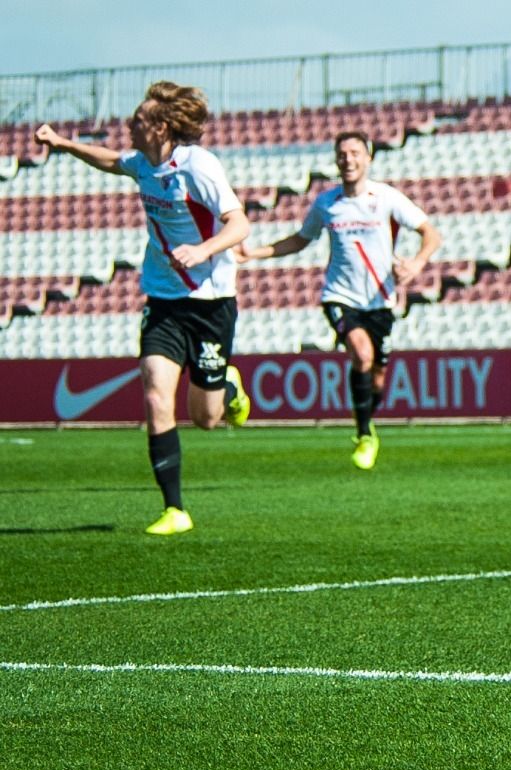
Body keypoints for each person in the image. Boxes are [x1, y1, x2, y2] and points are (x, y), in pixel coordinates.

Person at [33, 82, 252, 535]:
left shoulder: (198, 166)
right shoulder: (143, 164)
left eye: (137, 119)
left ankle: (229, 387)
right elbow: (111, 160)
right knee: (155, 394)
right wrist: (63, 144)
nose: (128, 125)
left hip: (210, 301)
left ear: (162, 127)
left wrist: (202, 249)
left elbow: (240, 223)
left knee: (206, 418)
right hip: (163, 299)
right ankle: (175, 509)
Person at [235, 130, 441, 469]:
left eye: (355, 153)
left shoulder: (386, 198)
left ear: (368, 158)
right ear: (336, 160)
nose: (348, 159)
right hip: (339, 297)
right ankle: (364, 434)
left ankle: (366, 422)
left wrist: (417, 263)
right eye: (342, 154)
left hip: (380, 300)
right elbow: (300, 240)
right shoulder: (327, 203)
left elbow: (431, 233)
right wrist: (254, 253)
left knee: (377, 377)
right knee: (361, 354)